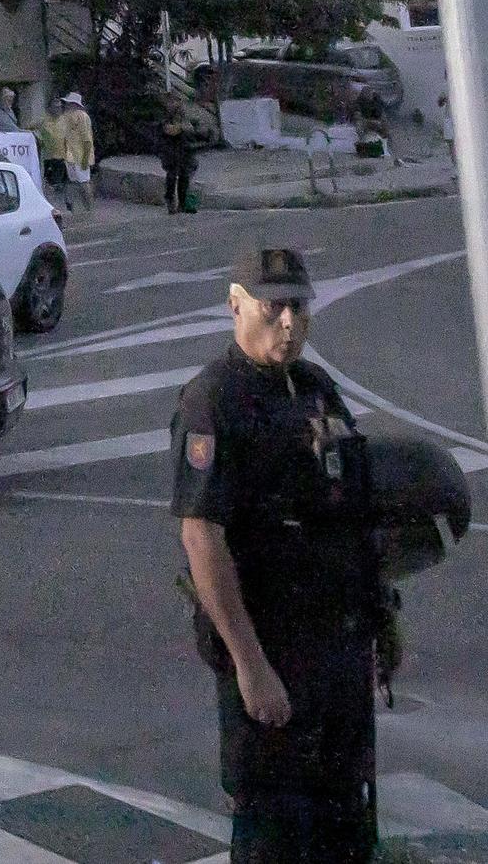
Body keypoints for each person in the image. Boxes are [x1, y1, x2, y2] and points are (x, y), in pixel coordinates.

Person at [173, 247, 383, 864]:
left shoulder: (317, 391)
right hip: (275, 654)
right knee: (276, 836)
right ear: (237, 304)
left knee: (346, 832)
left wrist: (382, 621)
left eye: (299, 306)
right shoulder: (214, 401)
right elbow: (202, 536)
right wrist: (250, 665)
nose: (289, 322)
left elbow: (355, 514)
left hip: (338, 656)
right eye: (274, 307)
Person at [60, 92, 96, 213]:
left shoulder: (82, 116)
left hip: (80, 156)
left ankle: (89, 209)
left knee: (84, 183)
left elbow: (87, 139)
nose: (66, 105)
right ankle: (79, 209)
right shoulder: (68, 116)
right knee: (75, 183)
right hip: (70, 156)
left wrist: (85, 158)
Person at [160, 99, 197, 216]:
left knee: (184, 176)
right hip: (170, 152)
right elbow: (171, 131)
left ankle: (182, 203)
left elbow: (190, 129)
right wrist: (181, 127)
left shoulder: (183, 118)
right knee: (172, 175)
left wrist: (182, 127)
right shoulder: (165, 119)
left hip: (184, 152)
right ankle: (170, 200)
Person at [38, 97, 69, 207]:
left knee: (61, 185)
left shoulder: (65, 121)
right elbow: (29, 129)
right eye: (55, 107)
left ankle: (65, 206)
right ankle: (51, 206)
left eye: (60, 107)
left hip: (62, 158)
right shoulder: (43, 120)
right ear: (50, 108)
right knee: (50, 184)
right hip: (48, 158)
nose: (58, 109)